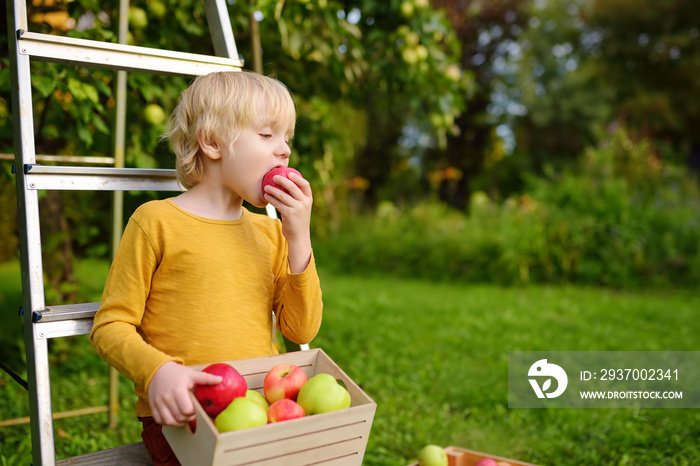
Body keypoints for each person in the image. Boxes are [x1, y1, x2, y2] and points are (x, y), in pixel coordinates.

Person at [90, 71, 323, 465]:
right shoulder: (155, 222)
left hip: (257, 406)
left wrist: (299, 237)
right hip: (183, 417)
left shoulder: (272, 234)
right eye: (267, 135)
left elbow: (300, 330)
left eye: (287, 138)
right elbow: (110, 325)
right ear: (212, 142)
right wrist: (157, 371)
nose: (283, 149)